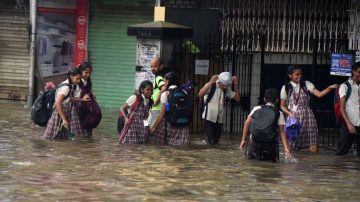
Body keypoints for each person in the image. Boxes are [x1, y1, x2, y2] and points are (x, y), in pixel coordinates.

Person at [280, 65, 337, 153]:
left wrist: (329, 88)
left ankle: (312, 165)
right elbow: (282, 106)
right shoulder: (286, 88)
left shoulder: (306, 84)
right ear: (290, 75)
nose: (300, 76)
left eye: (301, 74)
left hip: (308, 117)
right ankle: (293, 166)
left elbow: (319, 94)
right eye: (297, 74)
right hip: (293, 118)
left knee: (313, 143)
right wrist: (289, 113)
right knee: (293, 144)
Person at [240, 88, 291, 162]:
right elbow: (282, 131)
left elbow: (247, 123)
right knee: (270, 167)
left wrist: (243, 140)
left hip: (255, 142)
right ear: (277, 100)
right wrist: (286, 149)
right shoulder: (279, 113)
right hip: (270, 145)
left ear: (264, 99)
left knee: (253, 165)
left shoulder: (256, 108)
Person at [43, 68, 90, 139]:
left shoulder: (71, 85)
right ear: (71, 76)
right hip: (60, 112)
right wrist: (64, 119)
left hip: (66, 111)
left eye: (79, 79)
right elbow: (57, 103)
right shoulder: (66, 87)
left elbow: (68, 98)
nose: (79, 81)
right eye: (77, 78)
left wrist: (82, 99)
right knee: (50, 137)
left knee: (61, 136)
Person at [198, 72, 240, 145]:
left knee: (216, 142)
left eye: (226, 86)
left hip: (219, 119)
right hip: (209, 117)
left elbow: (237, 98)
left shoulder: (226, 88)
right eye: (223, 85)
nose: (225, 87)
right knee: (211, 141)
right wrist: (211, 81)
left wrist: (236, 84)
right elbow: (200, 94)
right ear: (220, 81)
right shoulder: (211, 85)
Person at [149, 72, 189, 145]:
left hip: (170, 124)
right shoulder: (184, 92)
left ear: (167, 81)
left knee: (161, 144)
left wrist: (153, 128)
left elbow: (162, 113)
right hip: (183, 125)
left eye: (164, 81)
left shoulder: (166, 94)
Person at [336, 62, 360, 156]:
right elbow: (342, 108)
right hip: (348, 124)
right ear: (353, 71)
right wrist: (349, 125)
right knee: (341, 152)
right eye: (359, 72)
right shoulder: (345, 86)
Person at [148, 58, 166, 127]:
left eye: (155, 66)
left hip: (157, 109)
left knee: (149, 128)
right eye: (151, 66)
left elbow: (163, 88)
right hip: (156, 109)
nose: (153, 68)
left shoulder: (159, 77)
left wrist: (156, 101)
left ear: (161, 66)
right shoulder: (158, 77)